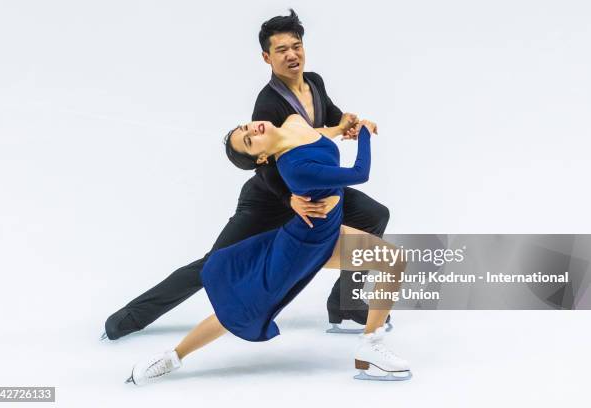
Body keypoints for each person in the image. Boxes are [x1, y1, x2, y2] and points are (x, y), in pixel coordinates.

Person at [103, 9, 391, 341]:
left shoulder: (314, 82)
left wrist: (354, 125)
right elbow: (263, 164)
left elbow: (331, 119)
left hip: (311, 190)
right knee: (215, 263)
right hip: (269, 199)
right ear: (267, 57)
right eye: (281, 50)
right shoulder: (268, 103)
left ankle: (347, 306)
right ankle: (128, 318)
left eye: (296, 46)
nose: (291, 54)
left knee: (374, 215)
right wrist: (289, 199)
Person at [126, 115, 411, 385]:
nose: (252, 131)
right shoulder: (293, 166)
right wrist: (363, 133)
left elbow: (319, 136)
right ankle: (172, 358)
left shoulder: (293, 122)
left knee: (393, 260)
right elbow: (359, 174)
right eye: (249, 141)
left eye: (245, 129)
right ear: (262, 158)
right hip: (304, 246)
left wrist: (341, 129)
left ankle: (370, 346)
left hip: (329, 233)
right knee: (243, 309)